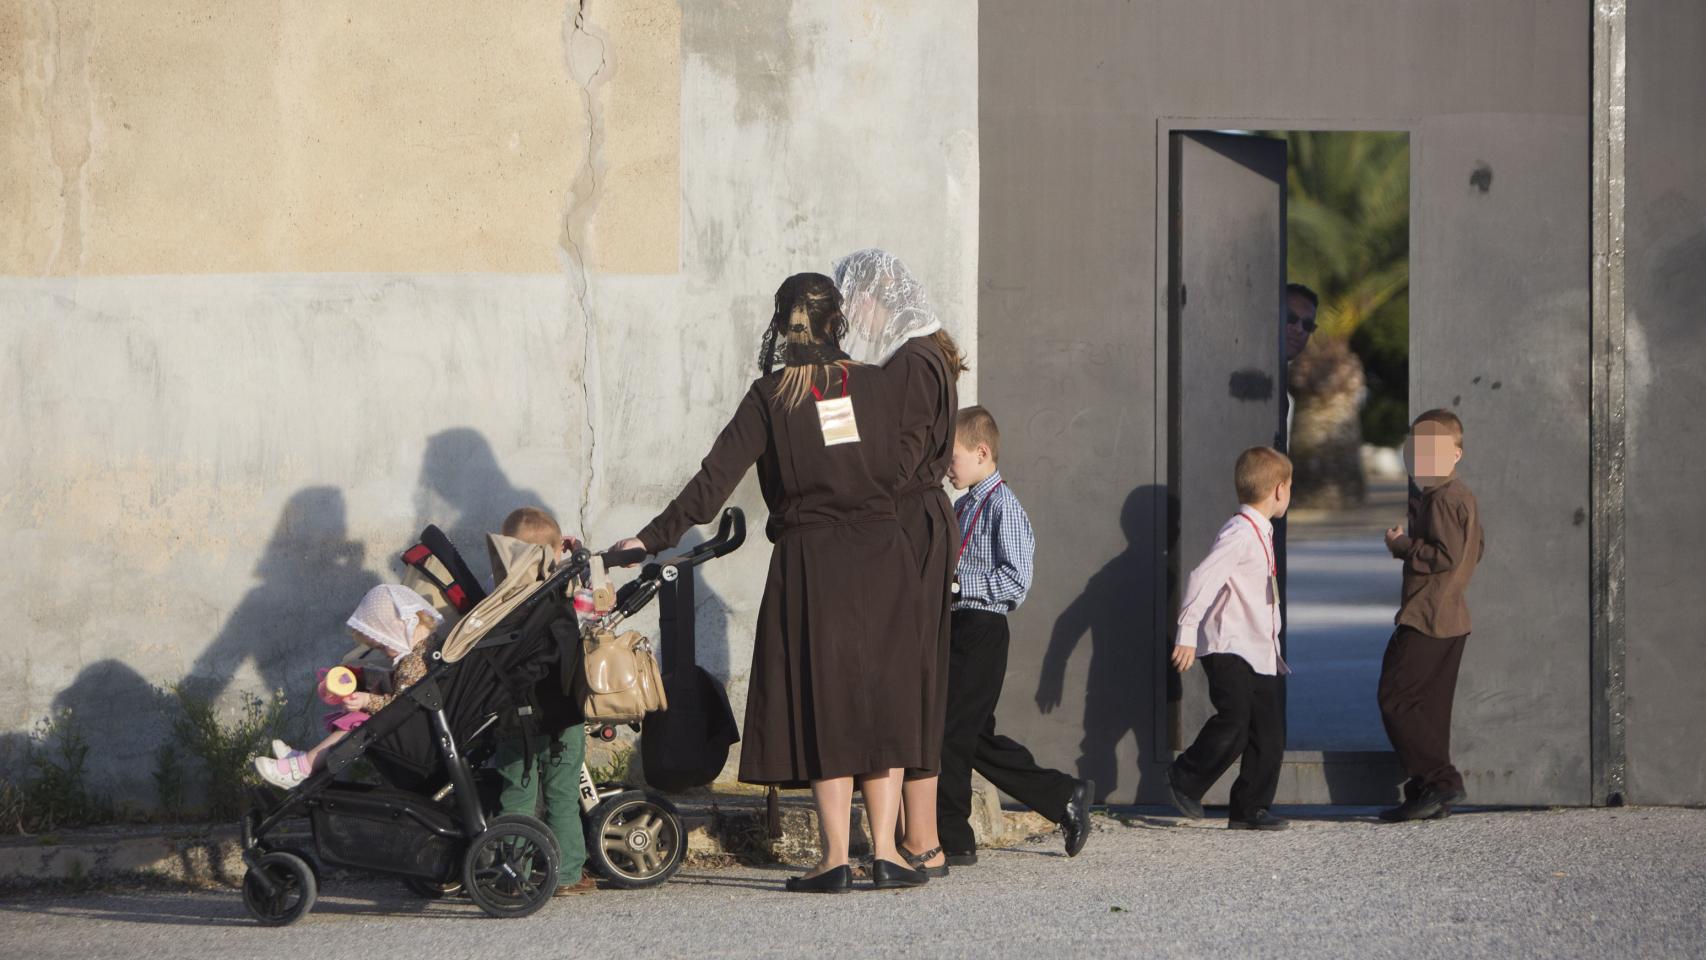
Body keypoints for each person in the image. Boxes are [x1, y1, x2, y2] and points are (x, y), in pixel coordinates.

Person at [611, 273, 930, 893]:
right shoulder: (882, 384)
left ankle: (836, 858)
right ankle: (887, 852)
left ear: (782, 325)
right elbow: (909, 462)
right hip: (886, 559)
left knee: (828, 703)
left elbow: (712, 482)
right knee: (881, 701)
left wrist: (650, 538)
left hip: (816, 563)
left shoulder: (771, 396)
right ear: (838, 321)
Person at [832, 249, 963, 878]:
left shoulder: (913, 359)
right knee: (912, 673)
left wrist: (848, 484)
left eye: (852, 299)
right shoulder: (917, 354)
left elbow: (903, 458)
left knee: (906, 676)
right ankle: (921, 838)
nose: (849, 312)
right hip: (912, 521)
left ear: (878, 296)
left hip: (907, 525)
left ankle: (924, 838)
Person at [937, 406, 1094, 864]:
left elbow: (1016, 580)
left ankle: (954, 838)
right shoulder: (961, 504)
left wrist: (962, 585)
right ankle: (1065, 795)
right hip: (956, 625)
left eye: (953, 458)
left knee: (949, 733)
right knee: (972, 735)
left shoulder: (1004, 506)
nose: (948, 467)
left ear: (981, 452)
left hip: (982, 629)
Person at [1165, 446, 1293, 831]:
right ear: (1279, 490)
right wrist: (1187, 633)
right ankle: (1184, 777)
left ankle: (1249, 809)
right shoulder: (1239, 532)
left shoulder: (1261, 532)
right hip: (1229, 645)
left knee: (1268, 735)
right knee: (1235, 722)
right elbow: (1201, 578)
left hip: (1259, 650)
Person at [1377, 409, 1485, 822]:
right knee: (1429, 707)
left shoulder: (1443, 499)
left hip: (1428, 615)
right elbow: (1476, 549)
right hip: (1452, 616)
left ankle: (1441, 780)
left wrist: (1403, 545)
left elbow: (1446, 555)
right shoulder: (1459, 498)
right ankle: (1426, 792)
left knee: (1396, 697)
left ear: (1456, 453)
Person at [492, 506, 595, 895]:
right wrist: (576, 558)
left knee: (516, 797)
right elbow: (596, 605)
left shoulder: (499, 598)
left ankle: (511, 873)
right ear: (555, 554)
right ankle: (567, 873)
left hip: (510, 716)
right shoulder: (567, 596)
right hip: (561, 715)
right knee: (562, 796)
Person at [252, 584, 442, 789]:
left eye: (383, 645)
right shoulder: (426, 649)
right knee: (358, 722)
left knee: (356, 727)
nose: (385, 653)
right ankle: (308, 758)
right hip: (416, 728)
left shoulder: (413, 663)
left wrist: (367, 700)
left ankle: (302, 768)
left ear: (400, 626)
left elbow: (402, 704)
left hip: (412, 736)